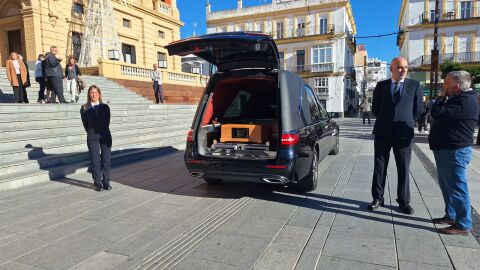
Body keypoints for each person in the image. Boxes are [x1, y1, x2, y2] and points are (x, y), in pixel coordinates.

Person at [368, 57, 423, 214]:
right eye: (399, 67)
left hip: (404, 134)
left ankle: (404, 201)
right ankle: (378, 198)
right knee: (379, 167)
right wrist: (387, 120)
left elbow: (418, 109)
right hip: (383, 132)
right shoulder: (381, 86)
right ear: (391, 69)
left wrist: (406, 121)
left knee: (403, 167)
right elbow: (376, 108)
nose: (403, 70)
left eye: (405, 67)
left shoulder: (414, 85)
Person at [429, 71, 479, 235]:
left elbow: (437, 113)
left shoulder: (464, 100)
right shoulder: (459, 98)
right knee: (447, 185)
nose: (444, 86)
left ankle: (463, 224)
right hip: (447, 148)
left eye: (446, 83)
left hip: (455, 150)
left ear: (456, 86)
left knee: (457, 187)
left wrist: (441, 97)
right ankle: (451, 215)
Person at [80, 85, 112, 192]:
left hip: (105, 136)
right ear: (89, 94)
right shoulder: (84, 108)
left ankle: (106, 182)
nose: (94, 94)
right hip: (92, 137)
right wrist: (92, 132)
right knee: (95, 160)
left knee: (106, 160)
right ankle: (98, 182)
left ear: (99, 94)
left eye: (96, 92)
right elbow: (85, 124)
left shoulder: (105, 107)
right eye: (91, 93)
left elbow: (107, 122)